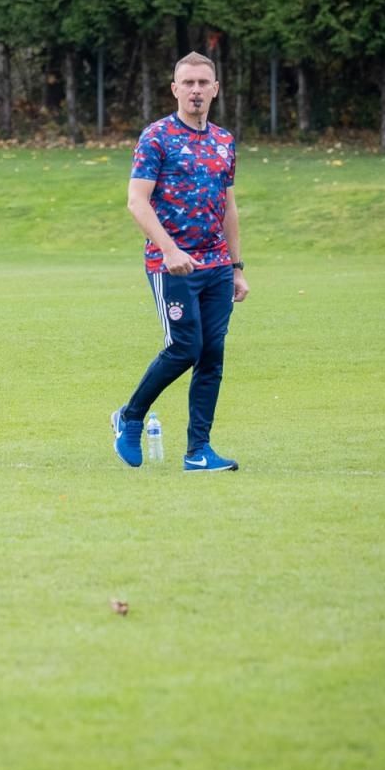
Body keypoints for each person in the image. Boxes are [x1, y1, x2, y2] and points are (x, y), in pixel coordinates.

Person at [111, 52, 250, 472]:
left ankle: (198, 451)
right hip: (170, 265)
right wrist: (170, 250)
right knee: (185, 347)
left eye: (202, 83)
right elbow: (137, 201)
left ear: (215, 89)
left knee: (212, 354)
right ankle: (130, 417)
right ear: (174, 89)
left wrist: (238, 267)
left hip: (217, 267)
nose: (195, 90)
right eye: (187, 83)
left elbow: (228, 207)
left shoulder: (224, 141)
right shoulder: (156, 137)